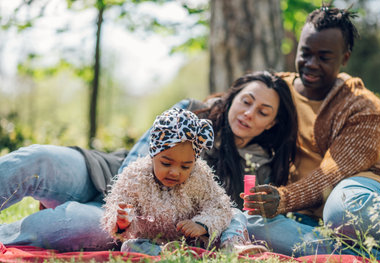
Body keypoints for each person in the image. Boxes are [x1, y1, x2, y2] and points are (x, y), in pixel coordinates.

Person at [0, 71, 297, 253]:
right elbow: (138, 159)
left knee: (71, 226)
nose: (249, 113)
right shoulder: (191, 113)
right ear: (233, 97)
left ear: (272, 123)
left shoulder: (260, 167)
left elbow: (224, 212)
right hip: (104, 173)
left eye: (262, 111)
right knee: (37, 160)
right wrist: (116, 204)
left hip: (133, 223)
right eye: (246, 101)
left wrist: (120, 222)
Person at [242, 3, 380, 263]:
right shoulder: (276, 91)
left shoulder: (364, 107)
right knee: (254, 225)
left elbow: (332, 173)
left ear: (345, 57)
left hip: (356, 189)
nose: (310, 64)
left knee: (341, 208)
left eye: (324, 57)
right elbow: (230, 106)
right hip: (303, 213)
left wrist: (283, 198)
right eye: (305, 53)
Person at [101, 108, 233, 255]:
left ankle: (232, 246)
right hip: (152, 242)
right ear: (153, 154)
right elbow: (116, 204)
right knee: (129, 246)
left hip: (192, 240)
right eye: (166, 163)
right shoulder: (135, 177)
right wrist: (122, 222)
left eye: (185, 166)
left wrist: (202, 224)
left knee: (235, 215)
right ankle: (164, 253)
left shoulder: (199, 174)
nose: (175, 172)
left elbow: (219, 204)